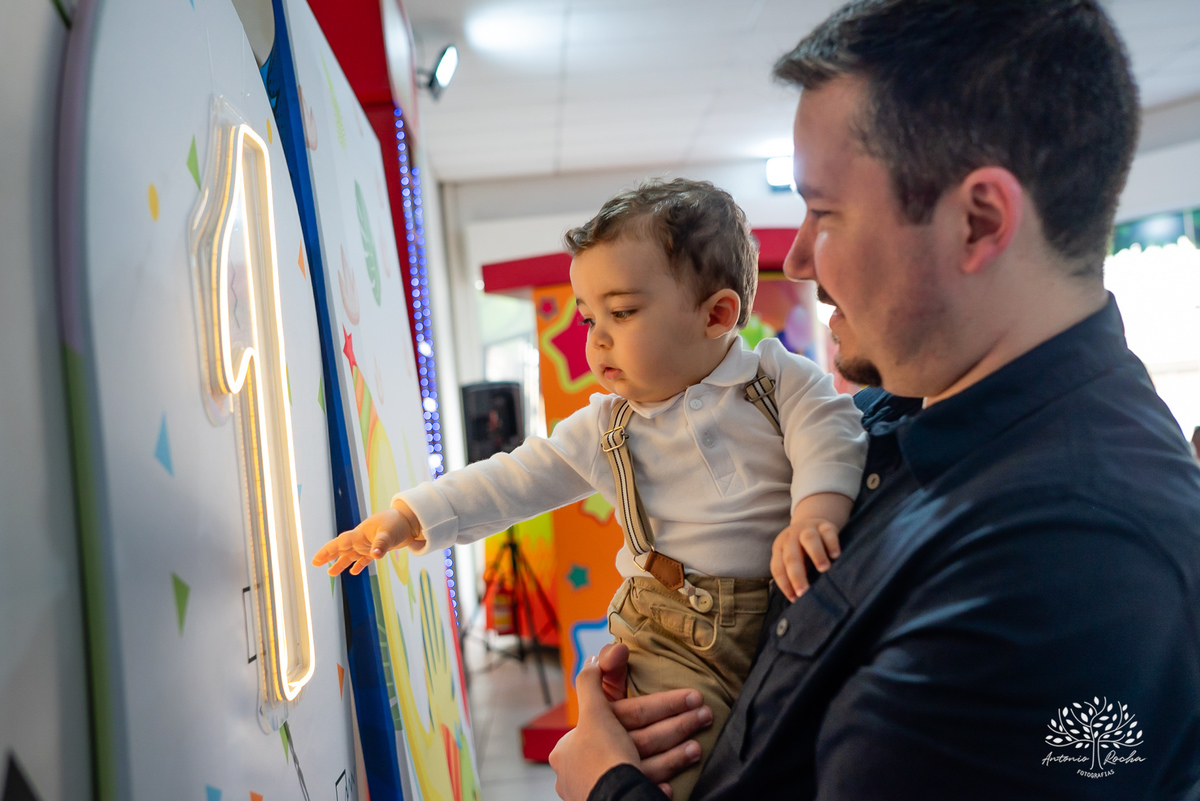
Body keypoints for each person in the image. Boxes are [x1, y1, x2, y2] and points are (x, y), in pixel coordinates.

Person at [548, 1, 1200, 799]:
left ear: (978, 220)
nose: (792, 259)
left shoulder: (1069, 560)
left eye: (823, 213)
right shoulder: (905, 420)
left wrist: (606, 785)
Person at [313, 178, 869, 799]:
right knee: (680, 768)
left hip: (786, 619)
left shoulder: (774, 379)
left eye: (622, 312)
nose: (597, 338)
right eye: (587, 317)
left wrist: (815, 509)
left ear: (716, 314)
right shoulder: (606, 426)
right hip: (670, 639)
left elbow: (831, 427)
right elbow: (513, 480)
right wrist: (409, 518)